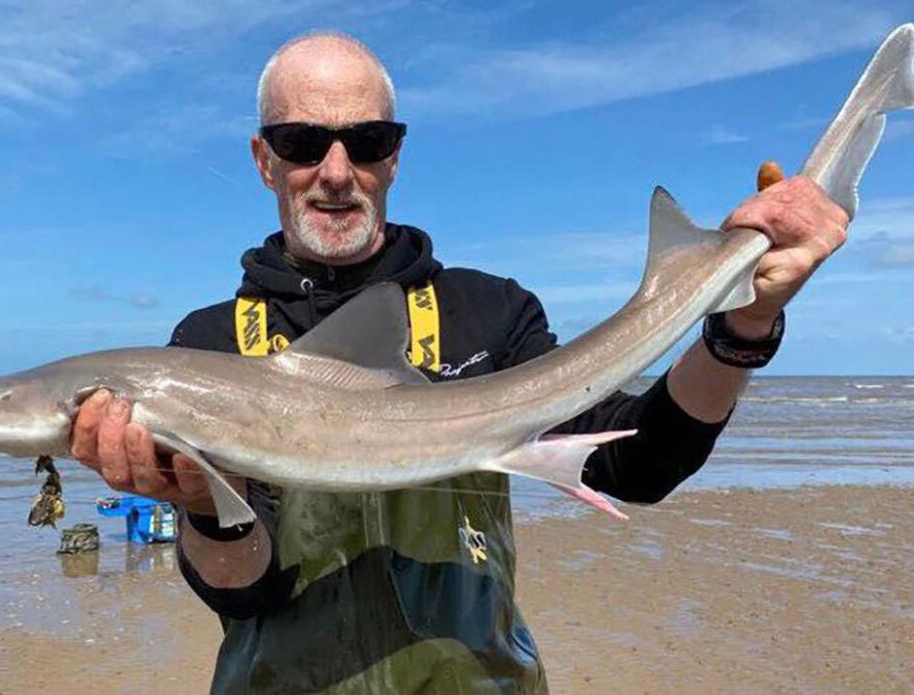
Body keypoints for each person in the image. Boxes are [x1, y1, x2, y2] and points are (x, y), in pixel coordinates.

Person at [70, 32, 848, 693]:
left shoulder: (491, 311)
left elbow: (635, 464)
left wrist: (741, 322)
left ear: (395, 156)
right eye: (304, 143)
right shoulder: (206, 346)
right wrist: (207, 503)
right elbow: (245, 593)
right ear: (264, 160)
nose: (336, 170)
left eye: (366, 141)